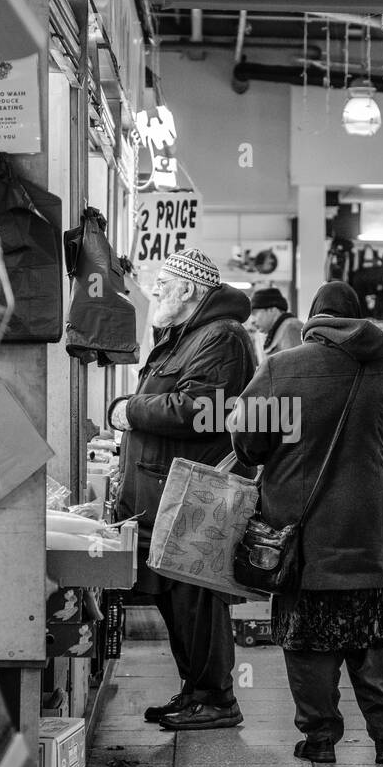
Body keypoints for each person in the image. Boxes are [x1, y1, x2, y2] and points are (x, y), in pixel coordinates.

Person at [232, 281, 383, 765]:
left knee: (307, 635)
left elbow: (247, 441)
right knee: (374, 635)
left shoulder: (282, 367)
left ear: (314, 317)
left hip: (303, 529)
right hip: (371, 528)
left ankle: (320, 739)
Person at [108, 249, 258, 730]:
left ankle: (217, 699)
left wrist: (129, 411)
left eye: (163, 283)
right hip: (163, 491)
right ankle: (196, 692)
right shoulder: (186, 336)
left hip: (192, 494)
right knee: (176, 597)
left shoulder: (222, 338)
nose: (154, 292)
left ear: (190, 289)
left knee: (196, 597)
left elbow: (200, 409)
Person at [246, 287, 303, 356]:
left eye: (254, 313)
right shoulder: (281, 329)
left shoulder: (291, 328)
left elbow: (296, 365)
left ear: (272, 310)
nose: (252, 321)